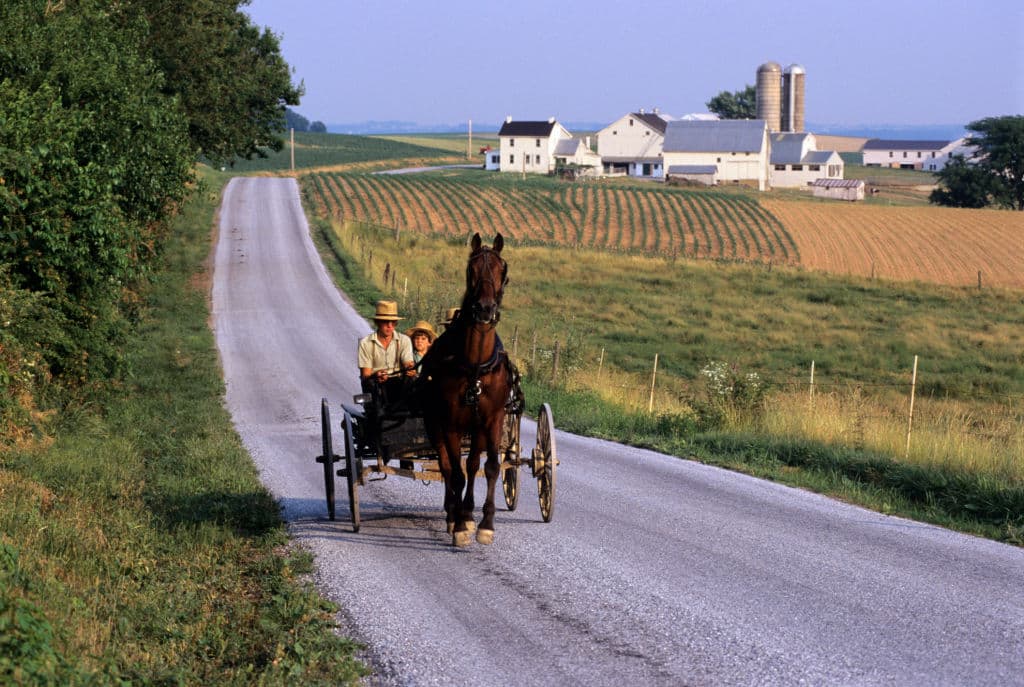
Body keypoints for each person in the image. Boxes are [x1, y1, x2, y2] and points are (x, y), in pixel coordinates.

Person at [357, 300, 415, 391]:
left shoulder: (404, 340)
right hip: (375, 384)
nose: (389, 326)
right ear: (377, 322)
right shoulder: (365, 343)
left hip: (399, 383)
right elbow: (366, 374)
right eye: (385, 322)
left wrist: (410, 368)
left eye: (393, 322)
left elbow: (407, 362)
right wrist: (377, 375)